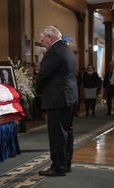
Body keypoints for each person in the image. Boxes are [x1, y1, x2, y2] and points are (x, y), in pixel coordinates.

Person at [35, 26, 78, 176]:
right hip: (69, 97)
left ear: (50, 37)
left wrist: (37, 90)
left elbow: (43, 74)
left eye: (43, 40)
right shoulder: (67, 49)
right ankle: (65, 164)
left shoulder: (54, 51)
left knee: (57, 134)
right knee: (67, 132)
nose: (42, 43)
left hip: (58, 99)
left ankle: (58, 167)